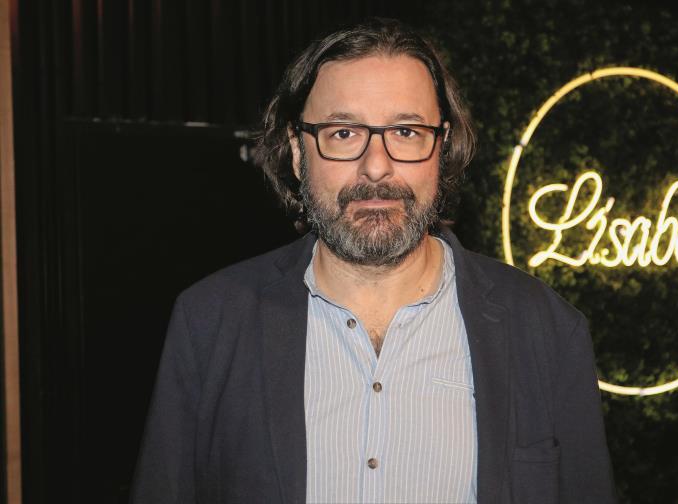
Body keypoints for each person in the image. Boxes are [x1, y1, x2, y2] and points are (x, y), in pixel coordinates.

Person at [130, 18, 616, 504]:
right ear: (298, 152)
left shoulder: (547, 330)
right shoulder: (209, 322)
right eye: (343, 133)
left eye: (405, 131)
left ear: (442, 148)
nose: (377, 166)